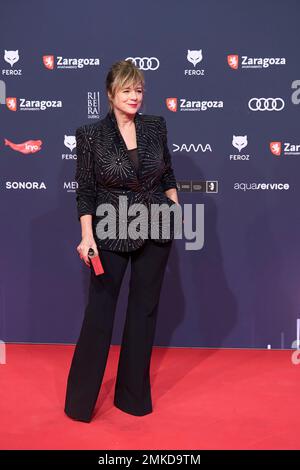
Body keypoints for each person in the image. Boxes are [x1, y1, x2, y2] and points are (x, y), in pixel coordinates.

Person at [64, 59, 180, 422]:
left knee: (143, 313)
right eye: (127, 90)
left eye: (139, 90)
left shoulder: (155, 126)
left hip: (156, 226)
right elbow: (86, 191)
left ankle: (132, 398)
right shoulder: (90, 135)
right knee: (99, 315)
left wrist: (174, 206)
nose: (134, 96)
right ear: (111, 94)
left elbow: (168, 174)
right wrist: (87, 236)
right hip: (111, 229)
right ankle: (80, 404)